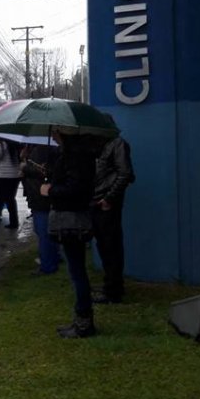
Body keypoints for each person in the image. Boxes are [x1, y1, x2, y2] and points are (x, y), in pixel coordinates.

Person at [41, 132, 97, 338]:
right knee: (76, 270)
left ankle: (84, 323)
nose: (53, 135)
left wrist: (51, 189)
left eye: (57, 132)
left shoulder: (76, 157)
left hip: (72, 220)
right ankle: (81, 320)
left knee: (77, 272)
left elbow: (75, 188)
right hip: (72, 218)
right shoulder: (73, 155)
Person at [92, 133, 135, 304]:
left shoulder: (117, 144)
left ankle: (113, 290)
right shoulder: (100, 145)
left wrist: (109, 198)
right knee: (104, 245)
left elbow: (125, 174)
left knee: (111, 246)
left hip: (106, 202)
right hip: (97, 200)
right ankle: (110, 284)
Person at [22, 144, 61, 275]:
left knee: (43, 231)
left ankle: (47, 264)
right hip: (40, 196)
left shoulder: (42, 149)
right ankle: (52, 258)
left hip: (40, 197)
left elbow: (43, 170)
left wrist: (25, 168)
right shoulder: (42, 148)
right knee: (45, 231)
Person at [0, 140, 22, 229]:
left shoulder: (2, 145)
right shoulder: (16, 144)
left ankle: (12, 222)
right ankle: (14, 221)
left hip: (4, 175)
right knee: (11, 199)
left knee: (4, 198)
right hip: (15, 175)